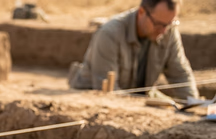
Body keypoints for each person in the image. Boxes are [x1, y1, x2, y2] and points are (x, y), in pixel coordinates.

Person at [68, 0, 198, 99]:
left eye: (169, 24)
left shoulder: (168, 32)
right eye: (158, 24)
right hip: (93, 98)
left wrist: (194, 104)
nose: (163, 30)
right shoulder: (109, 34)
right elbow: (108, 92)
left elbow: (180, 75)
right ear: (141, 12)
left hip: (139, 97)